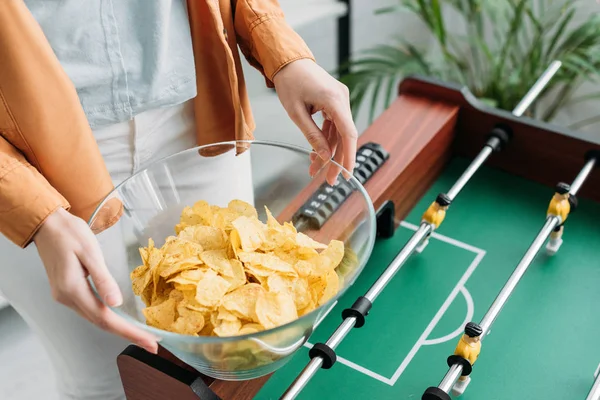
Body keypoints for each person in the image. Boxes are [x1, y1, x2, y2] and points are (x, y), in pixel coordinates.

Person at [0, 1, 358, 399]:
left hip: (197, 108)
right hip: (29, 154)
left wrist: (279, 48)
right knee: (105, 379)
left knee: (222, 359)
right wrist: (33, 209)